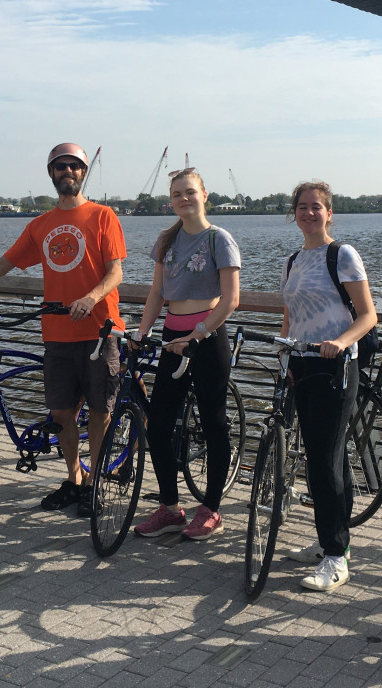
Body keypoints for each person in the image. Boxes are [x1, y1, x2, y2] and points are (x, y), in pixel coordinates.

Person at [0, 143, 126, 517]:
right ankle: (75, 480)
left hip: (100, 330)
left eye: (74, 166)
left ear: (83, 173)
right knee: (60, 414)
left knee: (100, 414)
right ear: (51, 174)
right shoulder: (40, 225)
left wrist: (90, 298)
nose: (67, 172)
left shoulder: (104, 216)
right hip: (56, 333)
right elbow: (2, 266)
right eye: (60, 167)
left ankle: (96, 484)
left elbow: (116, 272)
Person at [131, 168, 241, 541]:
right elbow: (157, 294)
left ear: (204, 195)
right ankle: (170, 507)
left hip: (207, 338)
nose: (183, 199)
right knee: (159, 425)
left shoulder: (219, 240)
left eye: (190, 192)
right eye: (176, 194)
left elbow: (231, 299)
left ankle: (210, 509)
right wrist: (142, 331)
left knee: (213, 423)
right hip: (172, 336)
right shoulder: (167, 240)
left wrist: (199, 333)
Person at [280, 181, 377, 592]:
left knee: (324, 459)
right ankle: (329, 543)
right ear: (294, 213)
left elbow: (368, 315)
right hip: (301, 364)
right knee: (325, 459)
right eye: (301, 207)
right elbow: (290, 315)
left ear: (329, 212)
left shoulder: (342, 255)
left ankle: (337, 558)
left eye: (316, 207)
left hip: (336, 366)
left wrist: (341, 340)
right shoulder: (294, 260)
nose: (308, 213)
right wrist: (284, 355)